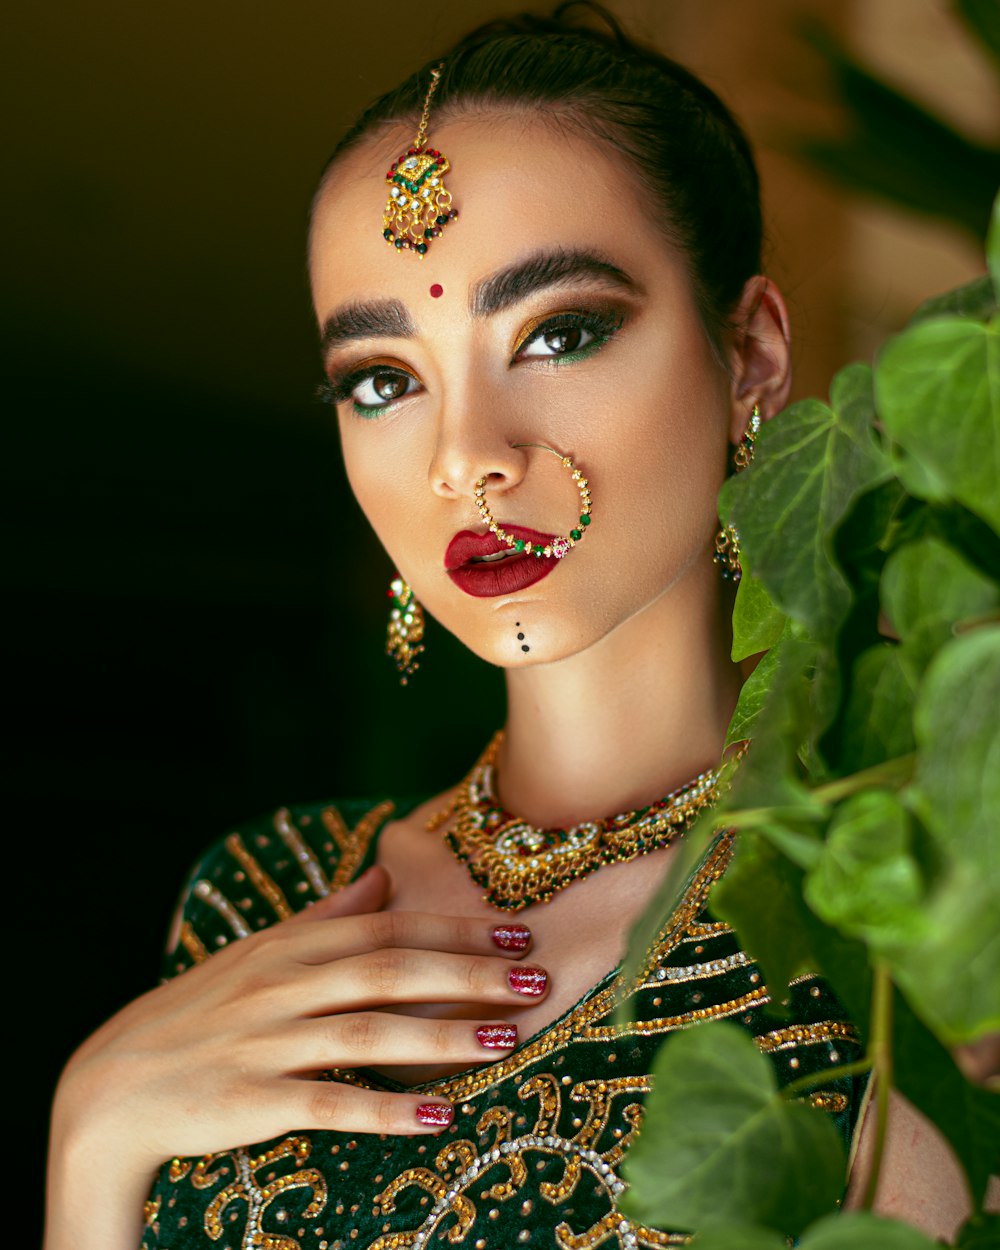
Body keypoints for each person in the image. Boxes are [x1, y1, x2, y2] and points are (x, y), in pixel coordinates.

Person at [45, 6, 974, 1248]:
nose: (466, 457)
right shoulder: (264, 899)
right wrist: (91, 1134)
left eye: (557, 331)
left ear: (748, 355)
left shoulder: (899, 899)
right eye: (383, 378)